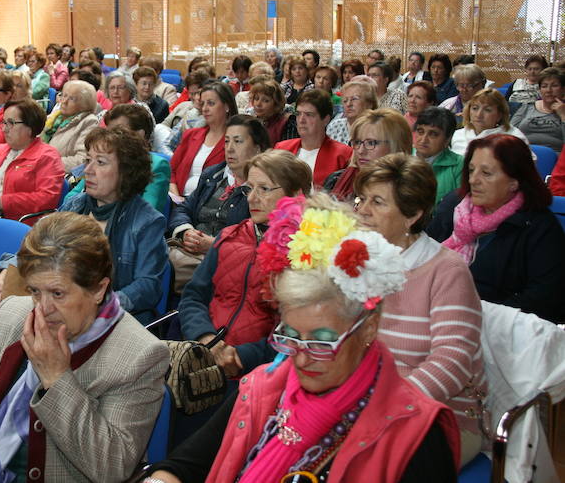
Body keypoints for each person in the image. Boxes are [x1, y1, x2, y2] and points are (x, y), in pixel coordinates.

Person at [145, 194, 459, 483]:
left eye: (322, 342)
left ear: (368, 328)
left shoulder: (414, 437)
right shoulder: (264, 389)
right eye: (290, 336)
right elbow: (186, 465)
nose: (302, 357)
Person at [0, 212, 168, 482]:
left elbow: (113, 466)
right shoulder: (13, 312)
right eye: (35, 291)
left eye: (58, 293)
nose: (43, 309)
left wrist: (57, 379)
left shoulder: (139, 356)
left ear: (98, 289)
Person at [356, 154, 486, 463]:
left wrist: (383, 407)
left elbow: (452, 362)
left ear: (412, 214)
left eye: (377, 202)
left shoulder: (446, 270)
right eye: (362, 199)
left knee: (357, 463)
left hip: (441, 415)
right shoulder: (356, 259)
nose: (362, 210)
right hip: (361, 402)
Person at [178, 149, 311, 377]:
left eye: (264, 189)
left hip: (262, 372)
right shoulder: (229, 236)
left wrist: (242, 355)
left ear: (296, 195)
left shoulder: (306, 252)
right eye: (250, 188)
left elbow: (297, 333)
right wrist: (207, 338)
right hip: (204, 356)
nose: (251, 198)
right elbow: (193, 297)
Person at [428, 134, 565, 323]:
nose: (473, 180)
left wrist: (471, 315)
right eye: (471, 170)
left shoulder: (539, 228)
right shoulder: (455, 206)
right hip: (436, 312)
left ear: (514, 181)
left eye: (486, 173)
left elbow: (543, 302)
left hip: (500, 330)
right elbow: (422, 254)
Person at [59, 128, 167, 324]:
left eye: (100, 162)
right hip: (60, 308)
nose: (88, 170)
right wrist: (9, 270)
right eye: (88, 160)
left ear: (126, 172)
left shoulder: (147, 222)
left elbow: (148, 286)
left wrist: (98, 305)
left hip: (114, 321)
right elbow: (40, 248)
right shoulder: (75, 205)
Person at [168, 115, 268, 293]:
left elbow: (257, 242)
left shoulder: (262, 191)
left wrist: (214, 245)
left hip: (227, 265)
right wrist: (186, 231)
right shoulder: (213, 175)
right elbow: (184, 208)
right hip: (189, 252)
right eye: (227, 141)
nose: (229, 149)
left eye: (238, 142)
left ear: (258, 148)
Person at [0, 99, 64, 224]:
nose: (4, 129)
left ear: (30, 127)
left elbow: (47, 198)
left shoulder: (48, 156)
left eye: (11, 123)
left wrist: (2, 202)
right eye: (3, 122)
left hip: (15, 224)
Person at [67, 103, 171, 213]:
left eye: (119, 132)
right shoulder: (97, 160)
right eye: (109, 131)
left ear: (140, 135)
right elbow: (70, 198)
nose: (111, 137)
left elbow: (148, 211)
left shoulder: (157, 165)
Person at [323, 108, 412, 202]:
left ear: (397, 146)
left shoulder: (409, 191)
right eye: (357, 142)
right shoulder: (335, 180)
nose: (361, 151)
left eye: (371, 143)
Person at [170, 82, 237, 200]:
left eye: (211, 103)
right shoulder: (191, 135)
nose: (205, 108)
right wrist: (176, 197)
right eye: (202, 104)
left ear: (227, 106)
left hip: (210, 206)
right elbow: (171, 171)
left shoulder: (235, 141)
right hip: (179, 201)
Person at [276, 88, 353, 188]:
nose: (301, 120)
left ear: (326, 119)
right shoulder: (282, 149)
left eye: (309, 115)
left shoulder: (343, 155)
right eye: (298, 114)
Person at [41, 80, 99, 172]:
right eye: (64, 95)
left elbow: (82, 160)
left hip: (58, 175)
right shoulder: (55, 117)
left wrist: (46, 163)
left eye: (72, 99)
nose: (64, 101)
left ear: (85, 104)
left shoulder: (89, 122)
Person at [450, 88, 529, 155]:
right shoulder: (457, 135)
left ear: (499, 115)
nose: (478, 115)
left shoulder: (514, 137)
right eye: (475, 108)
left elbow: (526, 168)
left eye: (487, 110)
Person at [413, 107, 463, 204]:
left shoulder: (459, 165)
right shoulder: (402, 156)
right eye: (420, 131)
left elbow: (459, 206)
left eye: (433, 134)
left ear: (447, 139)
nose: (423, 140)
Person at [510, 66, 565, 152]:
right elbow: (509, 132)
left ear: (563, 90)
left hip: (554, 158)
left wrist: (563, 116)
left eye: (554, 86)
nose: (548, 90)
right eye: (544, 86)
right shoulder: (527, 107)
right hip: (522, 154)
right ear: (539, 90)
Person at [326, 77, 379, 146]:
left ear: (369, 104)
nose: (348, 104)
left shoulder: (379, 128)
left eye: (354, 99)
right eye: (345, 100)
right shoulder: (335, 126)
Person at [247, 79, 298, 143]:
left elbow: (288, 150)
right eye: (256, 99)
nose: (258, 104)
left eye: (265, 100)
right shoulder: (251, 122)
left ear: (276, 103)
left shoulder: (288, 122)